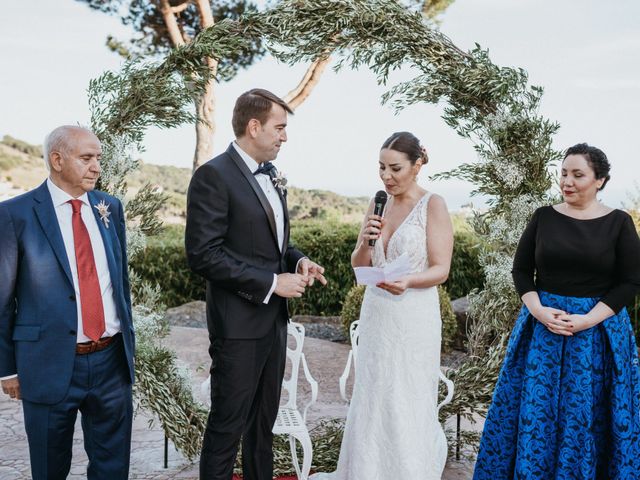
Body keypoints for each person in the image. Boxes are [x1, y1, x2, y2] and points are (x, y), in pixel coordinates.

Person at [473, 143, 640, 479]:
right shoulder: (543, 217)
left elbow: (630, 281)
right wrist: (538, 311)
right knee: (537, 414)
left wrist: (588, 319)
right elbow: (521, 271)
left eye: (578, 175)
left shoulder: (619, 222)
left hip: (597, 335)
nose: (567, 181)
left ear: (600, 181)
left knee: (586, 418)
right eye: (564, 173)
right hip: (542, 332)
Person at [185, 88, 327, 480]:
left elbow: (270, 243)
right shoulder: (213, 176)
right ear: (254, 126)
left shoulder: (271, 177)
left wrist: (298, 260)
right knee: (227, 429)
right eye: (279, 128)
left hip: (272, 326)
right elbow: (203, 254)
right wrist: (271, 283)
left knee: (262, 429)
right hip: (238, 330)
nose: (285, 136)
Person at [311, 131, 453, 479]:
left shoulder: (433, 204)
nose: (386, 177)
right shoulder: (378, 203)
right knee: (374, 394)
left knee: (406, 395)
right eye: (381, 168)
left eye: (395, 168)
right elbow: (360, 264)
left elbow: (441, 269)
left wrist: (408, 281)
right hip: (377, 313)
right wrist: (363, 241)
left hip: (413, 315)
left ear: (417, 165)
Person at [0, 126, 135, 479]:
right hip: (47, 363)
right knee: (49, 467)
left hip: (111, 362)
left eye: (98, 159)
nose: (96, 167)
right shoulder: (14, 214)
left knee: (112, 467)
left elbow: (119, 282)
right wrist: (8, 368)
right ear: (57, 160)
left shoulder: (110, 207)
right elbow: (2, 298)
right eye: (86, 158)